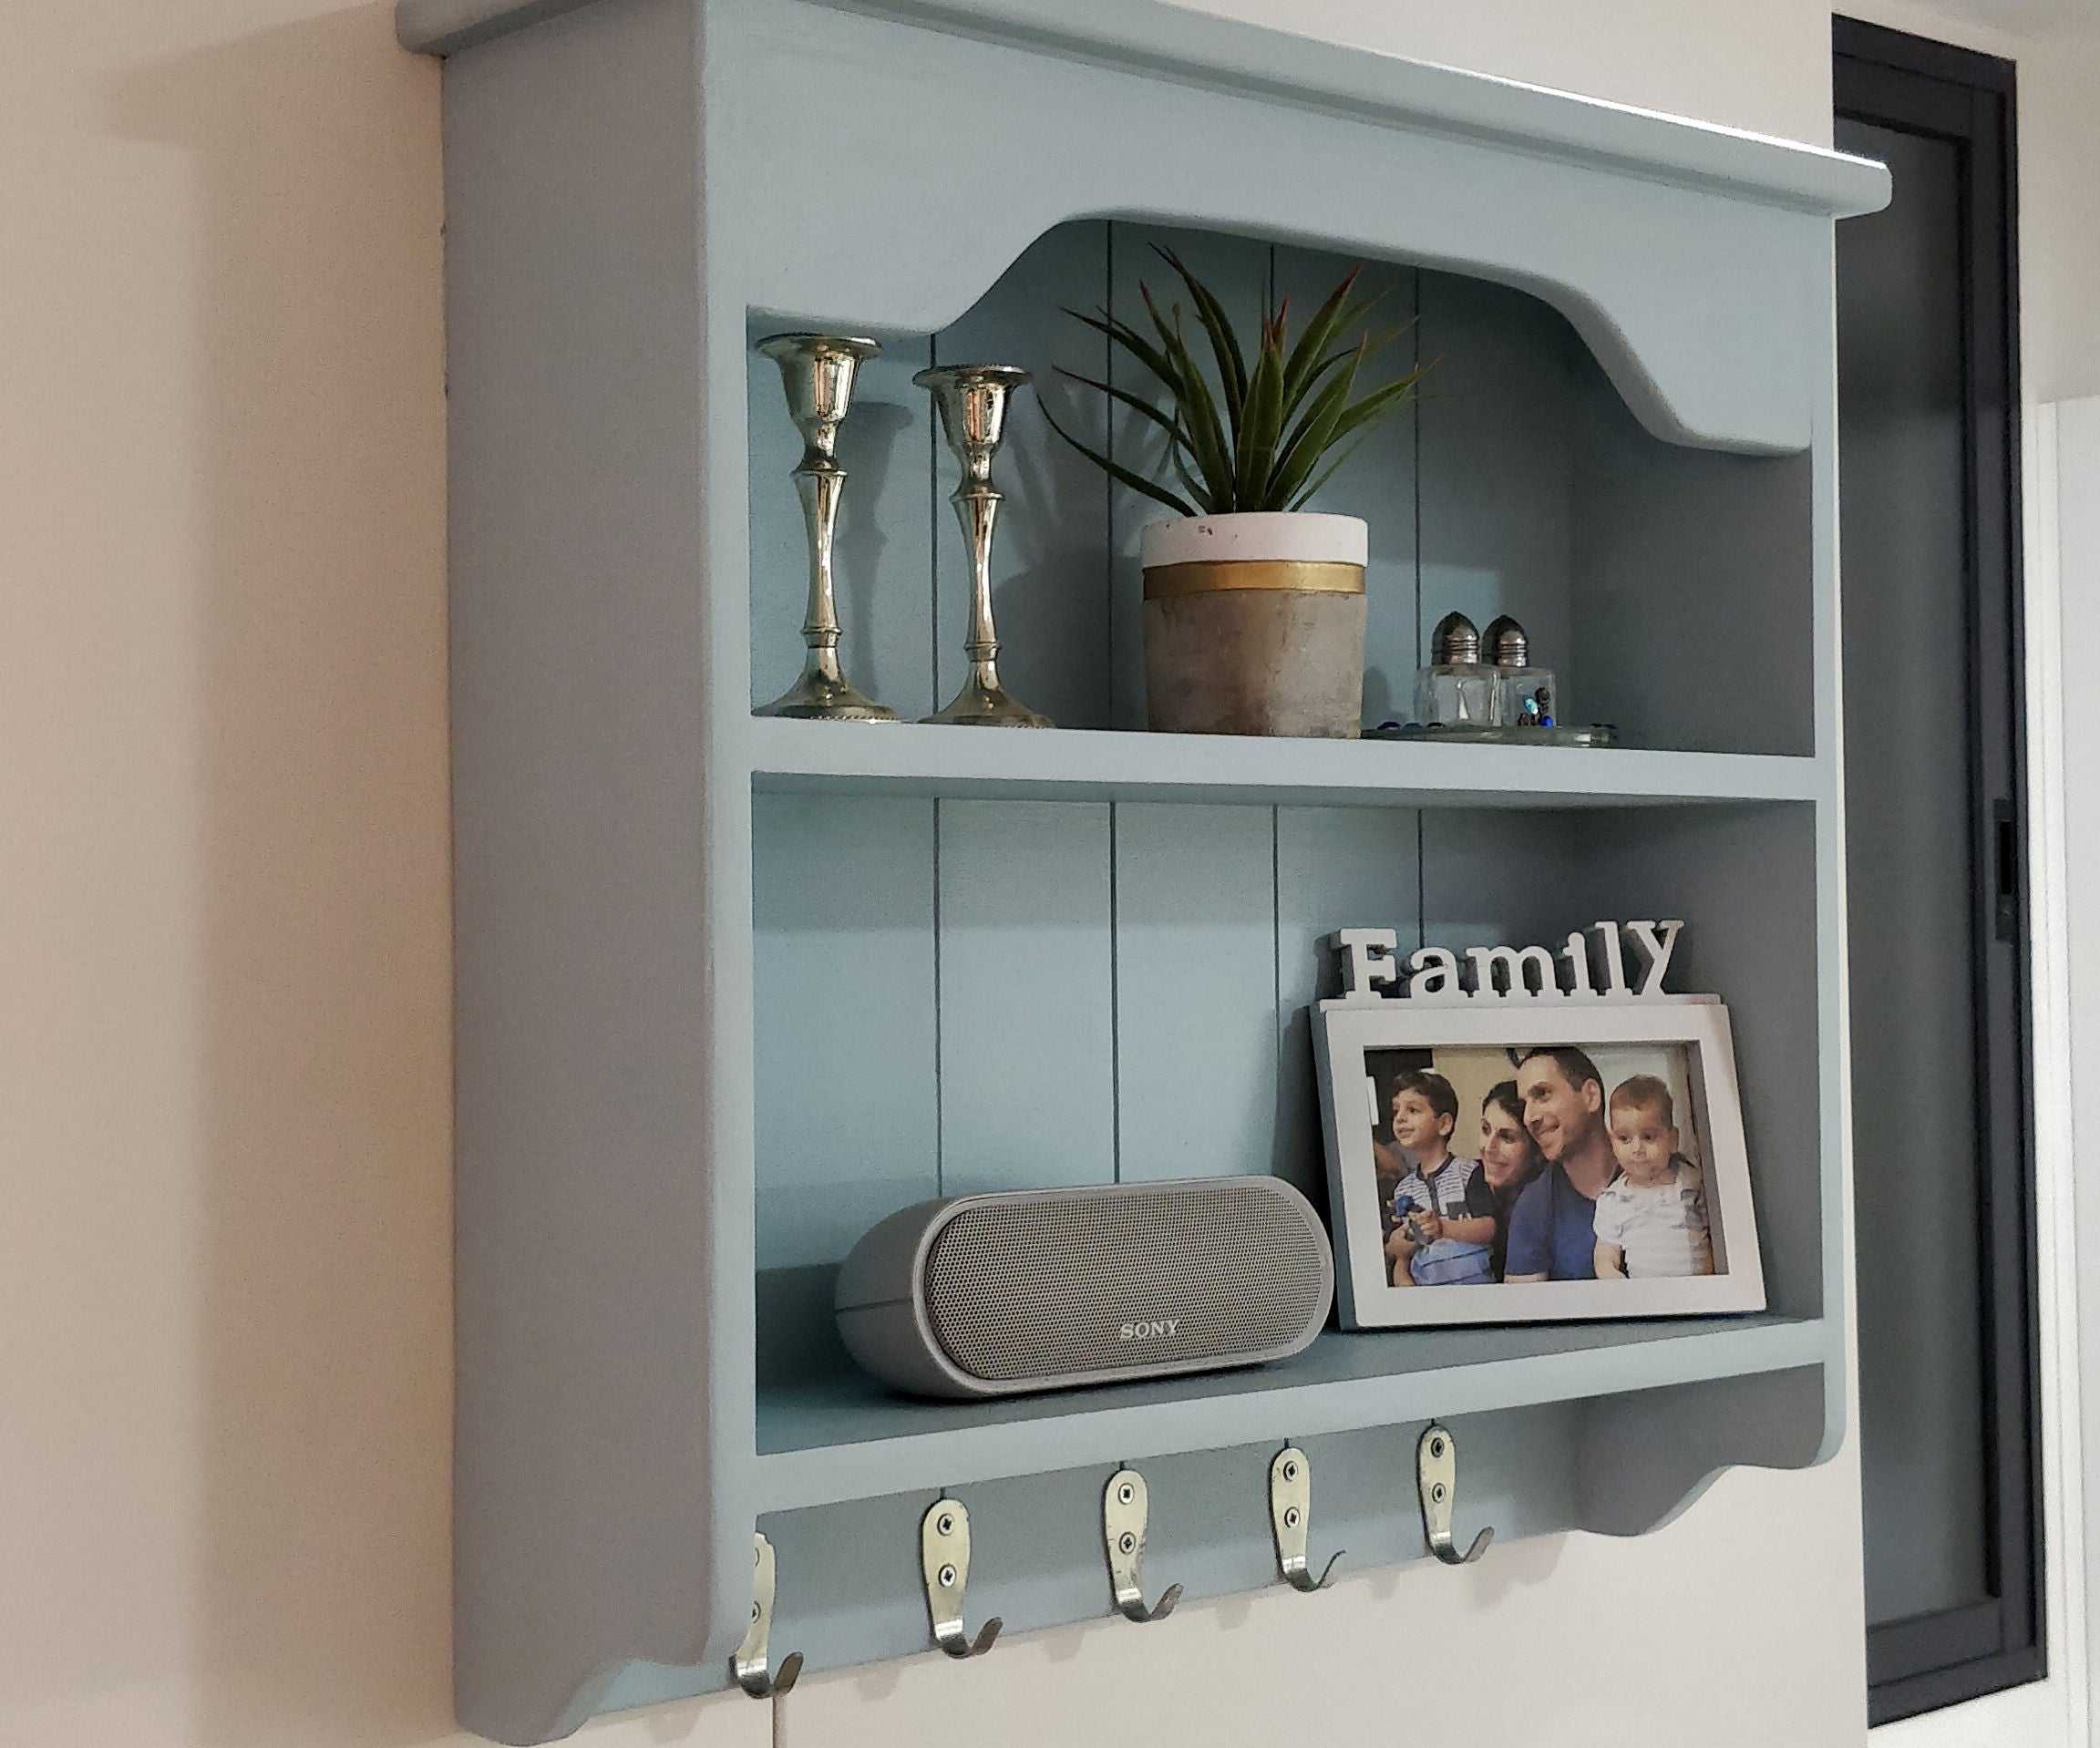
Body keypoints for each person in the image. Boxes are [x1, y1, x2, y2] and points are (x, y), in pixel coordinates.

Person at [1503, 1045, 1617, 1281]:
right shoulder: (1533, 1206)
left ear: (1590, 1096)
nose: (1528, 1117)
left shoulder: (1666, 1172)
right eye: (1525, 1103)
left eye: (1542, 1094)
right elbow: (1525, 1314)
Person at [1382, 1069, 1496, 1286]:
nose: (1400, 1119)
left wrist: (1443, 1228)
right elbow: (1399, 1248)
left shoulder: (1469, 1172)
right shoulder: (1403, 1189)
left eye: (1413, 1110)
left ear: (1444, 1124)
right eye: (1396, 1111)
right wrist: (1396, 1249)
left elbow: (1490, 1228)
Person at [1593, 1075, 1714, 1279]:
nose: (1637, 1148)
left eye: (1648, 1137)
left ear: (1672, 1140)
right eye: (1624, 1139)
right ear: (1611, 1143)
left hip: (1698, 1292)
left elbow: (1715, 1236)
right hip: (1647, 1297)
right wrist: (1612, 1277)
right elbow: (1605, 1254)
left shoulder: (1691, 1183)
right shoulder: (1613, 1200)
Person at [1477, 1079, 1546, 1281]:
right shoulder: (1470, 1181)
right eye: (1485, 1129)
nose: (1489, 1148)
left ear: (1536, 1151)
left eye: (1507, 1137)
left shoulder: (1543, 1203)